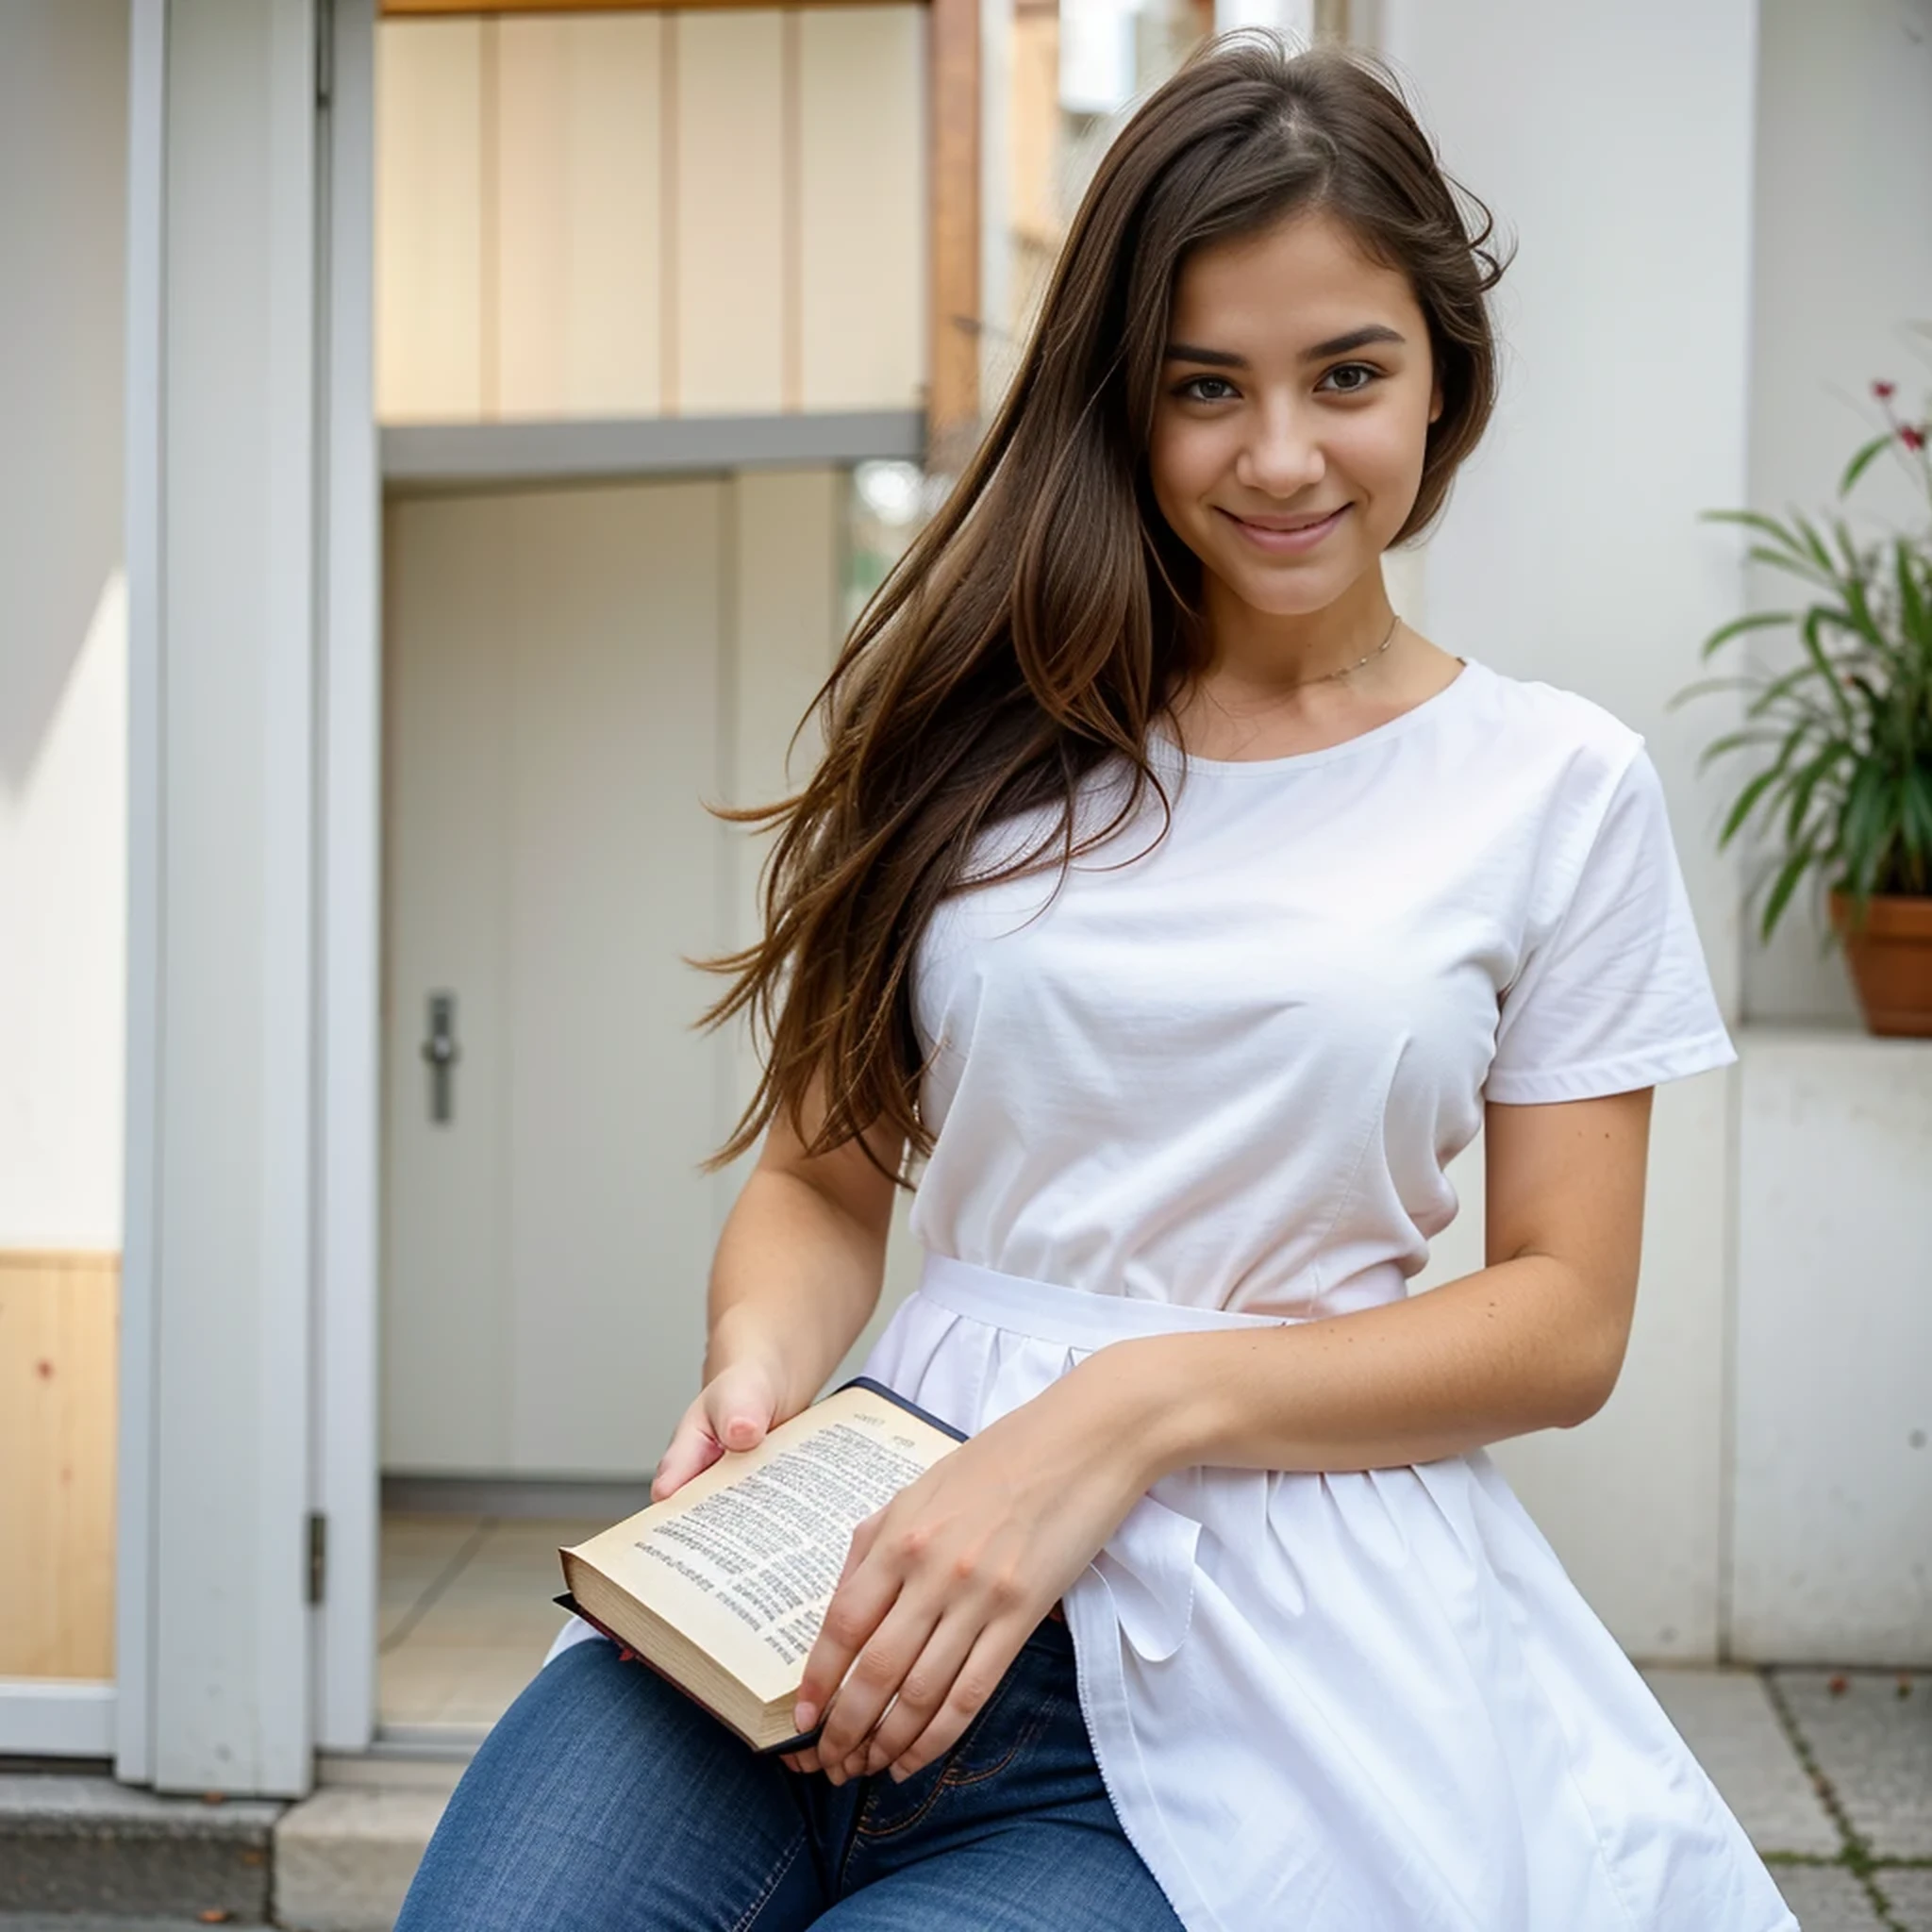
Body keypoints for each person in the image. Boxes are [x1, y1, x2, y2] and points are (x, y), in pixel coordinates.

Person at [396, 34, 1797, 1932]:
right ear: (1120, 407)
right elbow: (823, 1180)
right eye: (1202, 386)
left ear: (1440, 377)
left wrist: (1127, 1406)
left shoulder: (1551, 787)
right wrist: (755, 1371)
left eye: (1346, 375)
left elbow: (1561, 1317)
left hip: (1253, 1655)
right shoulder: (985, 737)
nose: (1281, 453)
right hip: (845, 1568)